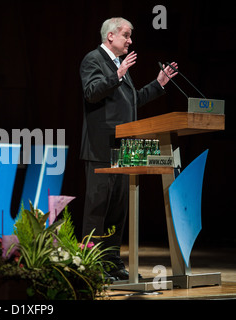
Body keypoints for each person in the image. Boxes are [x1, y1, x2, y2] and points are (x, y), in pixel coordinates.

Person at [79, 17, 178, 280]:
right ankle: (91, 265)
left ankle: (111, 261)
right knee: (98, 209)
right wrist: (118, 74)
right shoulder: (93, 60)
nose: (130, 40)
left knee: (118, 210)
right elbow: (91, 92)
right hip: (101, 149)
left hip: (124, 150)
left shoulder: (118, 66)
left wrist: (159, 85)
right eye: (126, 35)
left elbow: (132, 101)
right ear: (110, 36)